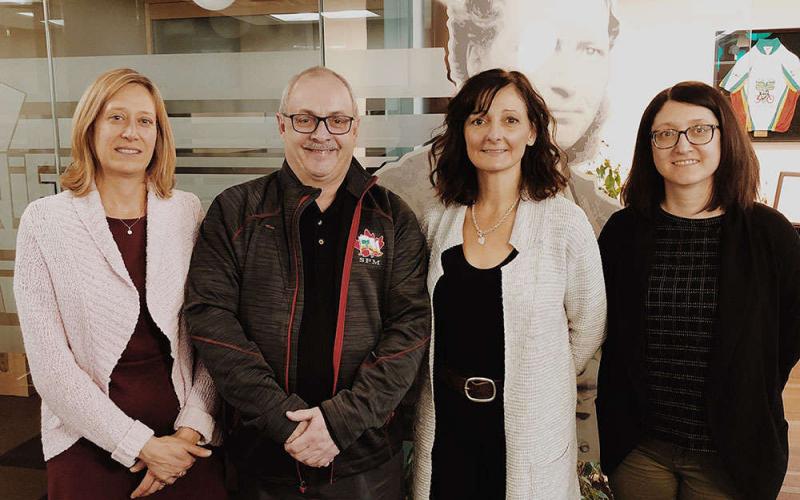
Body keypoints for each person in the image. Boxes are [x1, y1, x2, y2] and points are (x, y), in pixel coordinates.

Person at [184, 66, 430, 499]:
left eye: (337, 120)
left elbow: (409, 331)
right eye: (306, 119)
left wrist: (339, 423)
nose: (322, 134)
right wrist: (283, 419)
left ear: (355, 129)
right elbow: (211, 320)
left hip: (363, 459)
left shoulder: (393, 219)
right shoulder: (235, 212)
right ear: (282, 124)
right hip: (262, 459)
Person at [13, 68, 225, 499]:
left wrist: (192, 428)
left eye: (145, 121)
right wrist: (140, 445)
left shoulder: (187, 212)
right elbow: (51, 367)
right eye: (116, 118)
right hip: (87, 437)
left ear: (159, 135)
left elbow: (214, 334)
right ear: (90, 128)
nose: (132, 132)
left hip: (185, 437)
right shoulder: (45, 221)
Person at [596, 81, 800, 500]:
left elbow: (790, 333)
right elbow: (605, 328)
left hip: (730, 452)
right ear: (649, 146)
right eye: (665, 133)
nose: (682, 144)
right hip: (640, 449)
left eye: (699, 129)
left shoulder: (768, 233)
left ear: (725, 137)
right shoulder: (623, 232)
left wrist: (748, 385)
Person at [412, 68, 607, 499]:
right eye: (478, 119)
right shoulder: (437, 222)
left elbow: (589, 326)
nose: (493, 133)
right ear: (462, 131)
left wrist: (536, 373)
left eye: (510, 120)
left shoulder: (563, 223)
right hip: (448, 428)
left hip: (530, 431)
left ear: (533, 132)